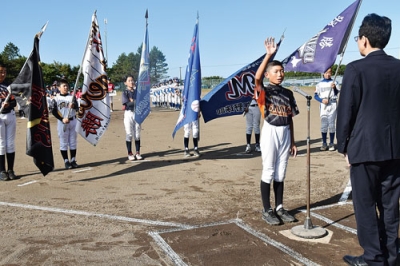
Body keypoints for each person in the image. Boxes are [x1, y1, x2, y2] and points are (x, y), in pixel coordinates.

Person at [336, 14, 400, 266]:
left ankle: (374, 257)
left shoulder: (355, 69)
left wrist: (343, 145)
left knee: (365, 205)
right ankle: (392, 255)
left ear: (364, 39)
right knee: (390, 205)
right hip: (395, 149)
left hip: (364, 148)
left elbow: (346, 112)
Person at [254, 37, 299, 225]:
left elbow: (289, 118)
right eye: (276, 71)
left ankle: (279, 206)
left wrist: (293, 141)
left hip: (285, 133)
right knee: (269, 170)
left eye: (282, 71)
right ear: (268, 75)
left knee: (281, 172)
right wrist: (269, 55)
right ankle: (267, 209)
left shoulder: (288, 94)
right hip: (270, 131)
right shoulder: (264, 91)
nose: (280, 74)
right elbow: (256, 78)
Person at [51, 79, 79, 169]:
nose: (66, 87)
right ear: (59, 88)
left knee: (73, 142)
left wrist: (73, 106)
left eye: (67, 85)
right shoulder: (56, 99)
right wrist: (62, 119)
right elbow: (53, 111)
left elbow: (77, 108)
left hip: (73, 120)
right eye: (64, 86)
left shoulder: (72, 97)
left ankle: (73, 160)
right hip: (62, 122)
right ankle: (66, 161)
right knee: (63, 142)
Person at [0, 63, 19, 181]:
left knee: (10, 143)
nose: (3, 74)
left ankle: (10, 169)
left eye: (4, 72)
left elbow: (14, 102)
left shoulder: (9, 86)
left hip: (10, 115)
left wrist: (9, 104)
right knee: (1, 144)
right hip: (0, 117)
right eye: (1, 71)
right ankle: (2, 170)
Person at [314, 67, 339, 151]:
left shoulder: (335, 82)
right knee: (324, 124)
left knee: (332, 124)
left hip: (332, 104)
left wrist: (334, 88)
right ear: (323, 73)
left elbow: (336, 93)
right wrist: (321, 100)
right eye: (326, 73)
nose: (328, 74)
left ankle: (331, 143)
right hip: (323, 104)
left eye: (329, 72)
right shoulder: (319, 84)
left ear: (331, 73)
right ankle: (324, 143)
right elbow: (316, 95)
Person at [121, 75, 143, 161]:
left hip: (137, 113)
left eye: (132, 80)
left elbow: (140, 101)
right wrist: (134, 102)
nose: (131, 82)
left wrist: (132, 101)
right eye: (129, 80)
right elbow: (126, 104)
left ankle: (138, 152)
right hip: (128, 113)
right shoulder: (125, 93)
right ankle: (130, 153)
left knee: (137, 134)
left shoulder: (137, 92)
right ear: (125, 83)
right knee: (129, 134)